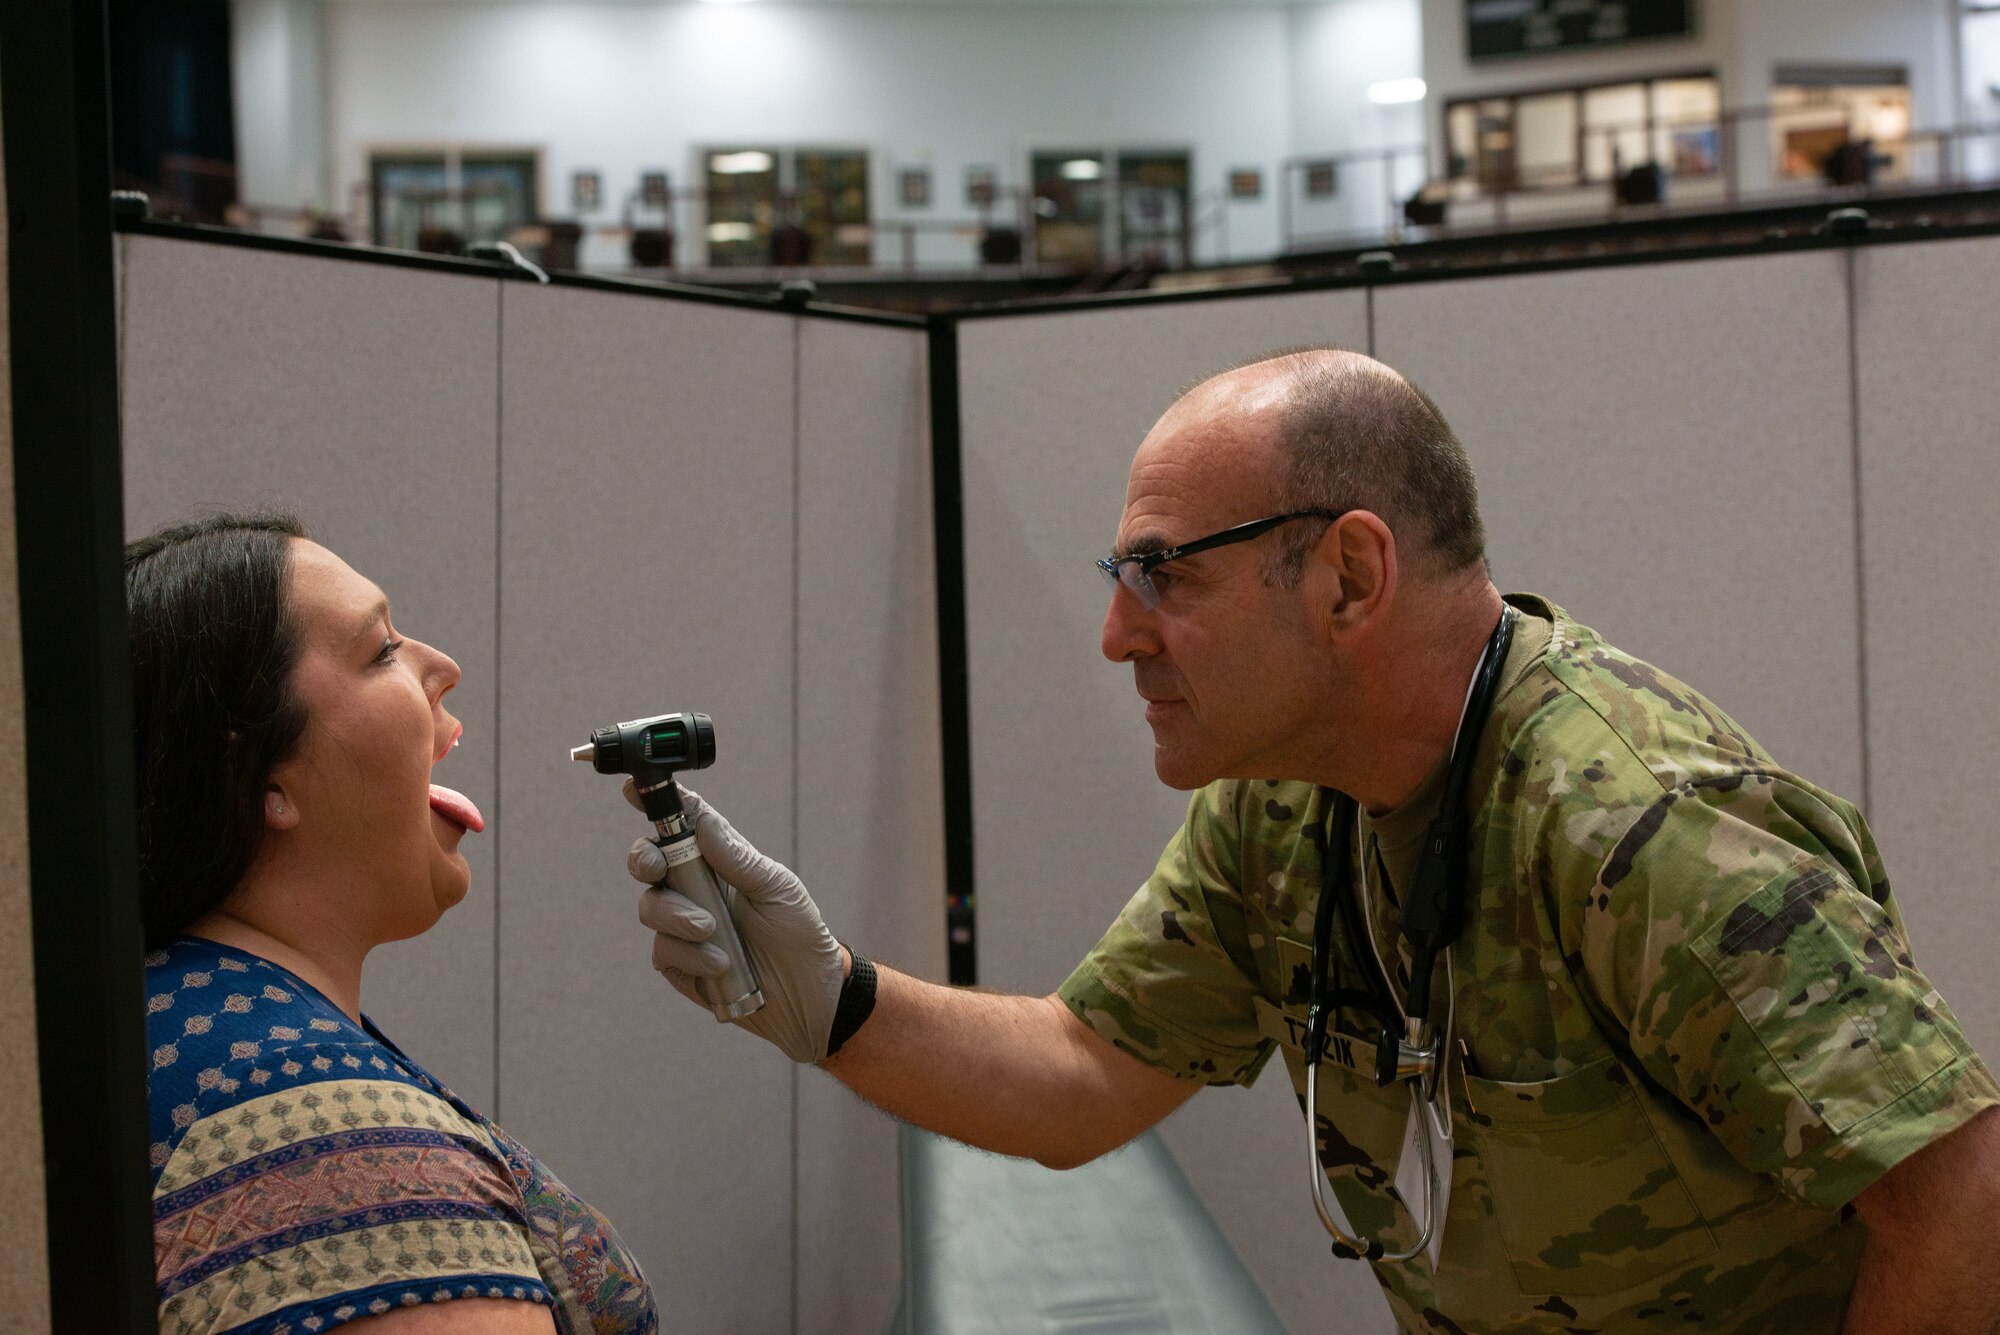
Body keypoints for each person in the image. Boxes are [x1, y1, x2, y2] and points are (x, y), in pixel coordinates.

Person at [633, 349, 2000, 1333]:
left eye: (1167, 574)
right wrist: (833, 1001)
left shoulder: (1635, 823)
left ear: (1350, 573)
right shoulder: (1284, 800)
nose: (1118, 633)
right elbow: (1084, 1072)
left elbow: (1959, 1196)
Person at [131, 512, 657, 1335]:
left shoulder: (149, 1026)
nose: (441, 667)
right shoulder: (336, 1146)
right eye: (381, 650)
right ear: (256, 775)